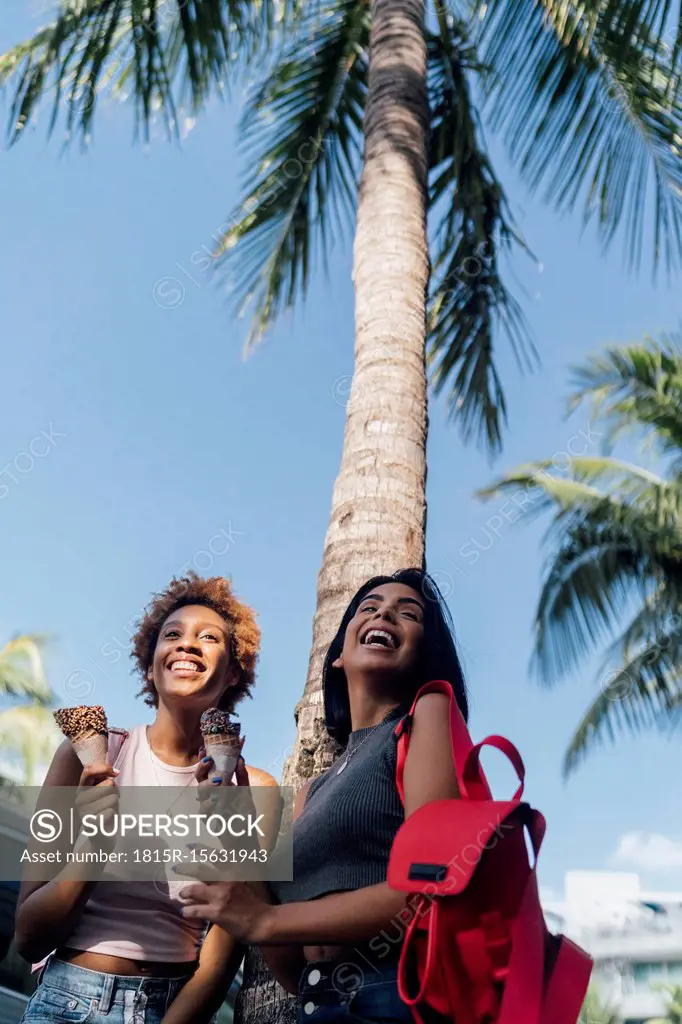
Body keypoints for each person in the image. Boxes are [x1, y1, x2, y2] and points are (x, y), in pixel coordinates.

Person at [180, 567, 467, 1023]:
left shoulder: (425, 715)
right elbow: (294, 971)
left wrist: (265, 921)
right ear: (337, 655)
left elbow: (430, 888)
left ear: (425, 652)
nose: (386, 613)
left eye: (407, 613)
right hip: (318, 1003)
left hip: (395, 997)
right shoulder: (311, 791)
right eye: (369, 608)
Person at [15, 572, 279, 1024]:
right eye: (171, 635)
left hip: (172, 1007)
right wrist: (93, 846)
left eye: (208, 638)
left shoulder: (256, 791)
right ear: (151, 662)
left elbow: (225, 947)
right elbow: (28, 938)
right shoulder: (87, 758)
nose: (187, 644)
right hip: (66, 1000)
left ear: (234, 670)